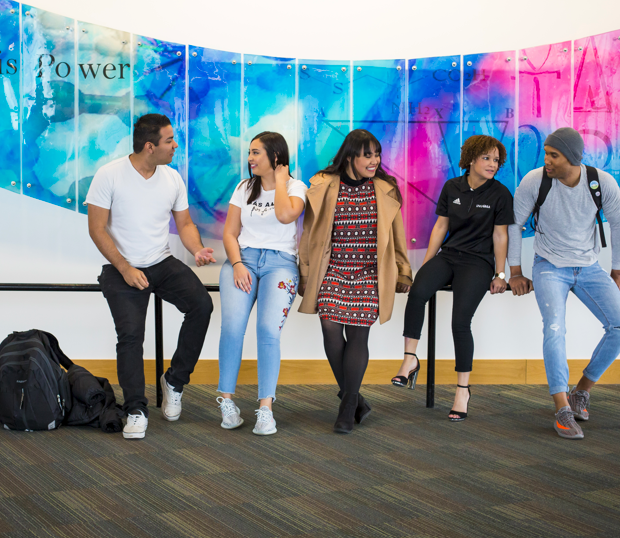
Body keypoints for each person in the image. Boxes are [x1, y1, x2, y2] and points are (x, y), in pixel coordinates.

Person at [86, 113, 216, 440]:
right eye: (169, 141)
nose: (175, 146)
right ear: (149, 146)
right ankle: (135, 409)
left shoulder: (171, 178)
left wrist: (197, 249)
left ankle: (174, 381)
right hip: (121, 266)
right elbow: (96, 228)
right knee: (131, 335)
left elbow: (184, 224)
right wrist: (125, 268)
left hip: (161, 262)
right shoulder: (109, 175)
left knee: (202, 306)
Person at [508, 127, 620, 440]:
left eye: (554, 155)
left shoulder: (601, 183)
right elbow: (514, 225)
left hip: (589, 266)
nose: (546, 160)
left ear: (573, 158)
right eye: (546, 153)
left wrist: (618, 270)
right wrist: (516, 271)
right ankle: (562, 408)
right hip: (549, 266)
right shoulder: (535, 181)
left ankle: (581, 391)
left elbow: (618, 225)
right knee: (554, 328)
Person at [299, 129, 412, 434]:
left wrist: (403, 270)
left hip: (369, 273)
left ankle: (348, 405)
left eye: (377, 154)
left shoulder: (386, 188)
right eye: (367, 155)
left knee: (358, 336)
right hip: (333, 270)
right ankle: (355, 398)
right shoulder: (323, 185)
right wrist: (306, 272)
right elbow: (309, 233)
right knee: (330, 330)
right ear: (350, 156)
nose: (374, 160)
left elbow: (397, 235)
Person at [392, 135, 513, 421]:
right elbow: (441, 227)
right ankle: (410, 359)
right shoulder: (452, 187)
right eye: (486, 158)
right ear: (471, 159)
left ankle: (462, 390)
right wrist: (426, 263)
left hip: (478, 262)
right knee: (418, 292)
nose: (492, 164)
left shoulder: (500, 193)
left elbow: (500, 235)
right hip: (449, 254)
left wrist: (500, 273)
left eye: (496, 160)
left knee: (459, 322)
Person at [217, 132, 307, 435]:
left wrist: (280, 181)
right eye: (249, 153)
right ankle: (226, 403)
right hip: (243, 260)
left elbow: (285, 216)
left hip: (281, 264)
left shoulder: (296, 187)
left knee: (268, 331)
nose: (250, 159)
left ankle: (265, 408)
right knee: (232, 327)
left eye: (256, 153)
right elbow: (230, 233)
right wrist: (238, 264)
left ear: (276, 157)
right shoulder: (243, 188)